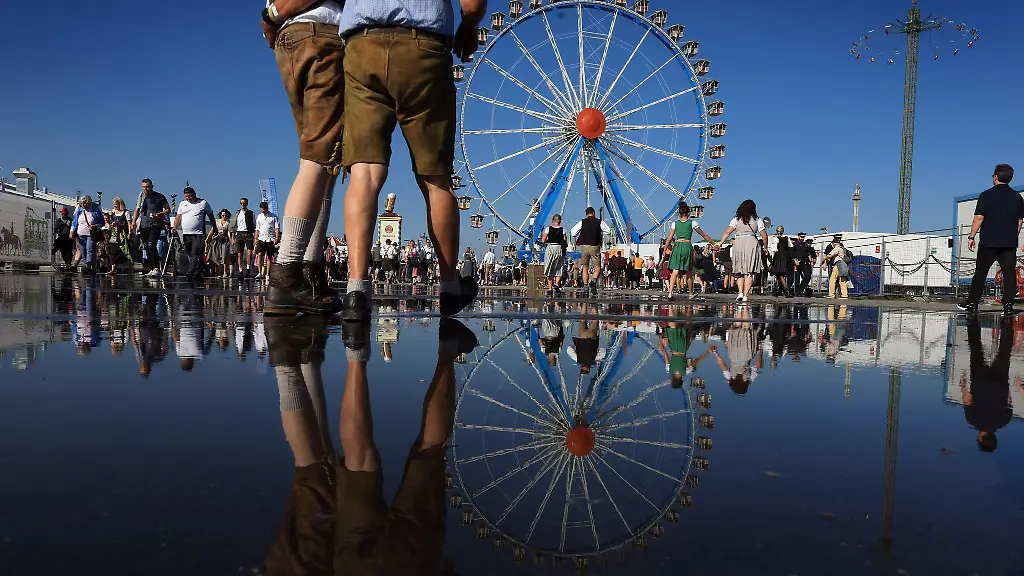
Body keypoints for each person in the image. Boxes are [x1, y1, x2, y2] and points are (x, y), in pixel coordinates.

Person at [335, 0, 486, 320]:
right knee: (436, 179)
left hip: (362, 44)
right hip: (425, 48)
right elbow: (472, 5)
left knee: (364, 172)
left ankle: (356, 290)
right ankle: (449, 287)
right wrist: (469, 27)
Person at [260, 0, 345, 315]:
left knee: (321, 157)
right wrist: (274, 14)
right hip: (322, 33)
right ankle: (289, 269)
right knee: (321, 156)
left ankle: (310, 267)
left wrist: (271, 18)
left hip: (291, 36)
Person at [958, 164, 1024, 315]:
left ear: (995, 176)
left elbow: (979, 218)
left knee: (980, 273)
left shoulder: (986, 195)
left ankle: (973, 303)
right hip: (1008, 244)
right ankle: (1008, 306)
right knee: (1009, 274)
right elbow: (1019, 222)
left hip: (988, 243)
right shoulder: (1017, 198)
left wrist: (971, 236)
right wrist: (1012, 235)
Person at [959, 317, 1018, 453]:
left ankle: (1008, 321)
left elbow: (1008, 399)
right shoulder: (972, 420)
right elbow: (967, 399)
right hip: (979, 382)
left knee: (1004, 352)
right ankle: (973, 319)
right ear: (980, 439)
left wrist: (1004, 387)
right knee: (976, 350)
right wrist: (963, 386)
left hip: (1000, 383)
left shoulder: (1004, 421)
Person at [716, 199, 769, 303]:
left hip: (738, 242)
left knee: (739, 270)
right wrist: (765, 247)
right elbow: (764, 236)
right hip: (752, 242)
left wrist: (720, 243)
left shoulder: (736, 219)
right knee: (749, 271)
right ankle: (746, 295)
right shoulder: (757, 220)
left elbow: (728, 232)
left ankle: (740, 292)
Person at [663, 201, 717, 300]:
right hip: (687, 246)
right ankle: (691, 293)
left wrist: (665, 248)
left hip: (677, 246)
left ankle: (670, 292)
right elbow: (704, 235)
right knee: (689, 271)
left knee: (675, 270)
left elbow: (669, 238)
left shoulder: (675, 224)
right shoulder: (693, 223)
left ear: (679, 213)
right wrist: (714, 243)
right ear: (688, 213)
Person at [172, 186, 218, 282]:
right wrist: (174, 227)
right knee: (189, 253)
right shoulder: (182, 204)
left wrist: (215, 227)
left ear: (194, 194)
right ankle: (199, 269)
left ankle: (190, 271)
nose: (189, 198)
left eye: (190, 196)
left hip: (198, 234)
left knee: (194, 253)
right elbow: (178, 217)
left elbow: (211, 215)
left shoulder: (203, 203)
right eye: (187, 197)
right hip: (186, 233)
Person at [133, 179, 170, 277]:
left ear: (152, 186)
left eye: (148, 186)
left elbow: (168, 209)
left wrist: (159, 214)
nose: (146, 189)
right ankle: (151, 268)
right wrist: (133, 222)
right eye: (144, 187)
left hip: (155, 223)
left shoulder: (159, 197)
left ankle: (157, 268)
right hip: (144, 224)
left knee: (151, 245)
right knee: (146, 247)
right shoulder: (141, 197)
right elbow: (137, 209)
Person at [572, 207, 612, 297]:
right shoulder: (599, 222)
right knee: (597, 267)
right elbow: (608, 231)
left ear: (586, 214)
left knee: (585, 268)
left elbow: (573, 232)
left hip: (585, 246)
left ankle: (585, 286)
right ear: (594, 213)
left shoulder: (582, 222)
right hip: (595, 246)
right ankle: (593, 280)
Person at [70, 195, 104, 273]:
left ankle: (88, 265)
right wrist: (72, 231)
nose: (83, 206)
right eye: (81, 204)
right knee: (83, 251)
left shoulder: (95, 210)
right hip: (80, 234)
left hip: (90, 234)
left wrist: (96, 226)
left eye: (84, 204)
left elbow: (102, 222)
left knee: (90, 250)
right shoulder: (79, 210)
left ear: (88, 203)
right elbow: (74, 222)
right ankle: (88, 266)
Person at [541, 214, 567, 296]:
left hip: (551, 247)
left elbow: (543, 240)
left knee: (549, 267)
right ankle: (556, 284)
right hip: (559, 248)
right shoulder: (563, 230)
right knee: (559, 267)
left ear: (553, 221)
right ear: (560, 221)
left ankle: (550, 288)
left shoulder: (548, 229)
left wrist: (549, 240)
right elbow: (564, 241)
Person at [254, 201, 280, 280]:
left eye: (264, 208)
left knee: (269, 256)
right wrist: (256, 239)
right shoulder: (259, 217)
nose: (262, 210)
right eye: (261, 208)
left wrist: (276, 238)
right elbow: (257, 229)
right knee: (259, 255)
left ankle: (267, 274)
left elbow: (277, 228)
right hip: (261, 238)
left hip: (270, 239)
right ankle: (259, 273)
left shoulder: (273, 216)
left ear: (267, 208)